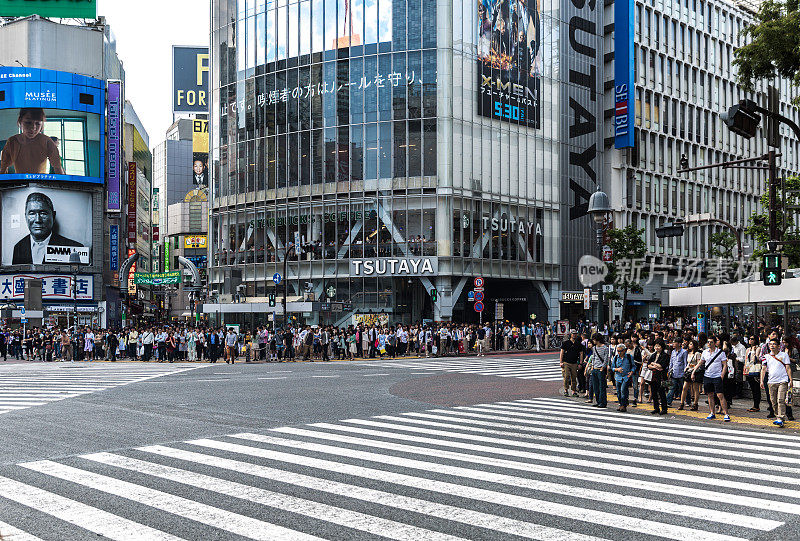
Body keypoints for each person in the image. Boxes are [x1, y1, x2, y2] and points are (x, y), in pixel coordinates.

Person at [11, 192, 84, 264]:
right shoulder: (18, 248)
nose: (37, 220)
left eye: (43, 213)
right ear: (25, 217)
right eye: (32, 213)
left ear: (53, 215)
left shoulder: (75, 249)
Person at [0, 108, 64, 175]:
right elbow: (3, 167)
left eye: (38, 123)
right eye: (28, 122)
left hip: (40, 182)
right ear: (20, 121)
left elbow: (58, 167)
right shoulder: (12, 141)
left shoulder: (47, 141)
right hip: (20, 182)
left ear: (42, 125)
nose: (33, 128)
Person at [694, 335, 730, 422]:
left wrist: (722, 375)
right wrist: (693, 371)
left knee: (720, 395)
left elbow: (725, 365)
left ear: (715, 343)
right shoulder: (705, 352)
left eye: (711, 342)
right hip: (707, 376)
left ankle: (726, 413)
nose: (709, 344)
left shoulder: (721, 353)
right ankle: (712, 412)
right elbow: (700, 363)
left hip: (717, 376)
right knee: (710, 395)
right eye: (708, 342)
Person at [761, 337, 793, 427]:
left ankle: (780, 418)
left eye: (774, 344)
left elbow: (788, 368)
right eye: (770, 344)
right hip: (771, 381)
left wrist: (791, 379)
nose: (772, 346)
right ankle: (777, 416)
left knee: (781, 400)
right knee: (773, 401)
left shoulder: (784, 355)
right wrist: (762, 381)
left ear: (779, 346)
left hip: (783, 380)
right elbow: (763, 369)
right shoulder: (766, 356)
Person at [611, 343, 635, 412]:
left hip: (626, 377)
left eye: (620, 351)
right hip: (618, 377)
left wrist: (631, 372)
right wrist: (617, 369)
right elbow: (612, 367)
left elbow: (633, 366)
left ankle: (623, 405)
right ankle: (621, 404)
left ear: (624, 350)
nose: (619, 352)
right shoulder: (616, 357)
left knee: (623, 391)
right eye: (618, 351)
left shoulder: (629, 357)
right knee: (618, 392)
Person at [588, 333, 609, 408]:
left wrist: (603, 368)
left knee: (602, 387)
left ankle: (603, 402)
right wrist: (593, 366)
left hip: (600, 369)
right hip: (595, 369)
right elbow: (593, 357)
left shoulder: (605, 348)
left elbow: (606, 359)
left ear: (597, 339)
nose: (593, 341)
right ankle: (598, 401)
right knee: (595, 387)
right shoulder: (594, 348)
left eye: (594, 339)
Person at [648, 340, 669, 415]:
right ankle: (656, 408)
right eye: (656, 346)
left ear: (662, 347)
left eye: (658, 346)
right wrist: (655, 365)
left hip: (661, 376)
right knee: (653, 392)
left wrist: (653, 364)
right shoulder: (653, 355)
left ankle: (664, 408)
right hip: (653, 376)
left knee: (662, 392)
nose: (657, 347)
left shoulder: (665, 355)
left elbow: (662, 366)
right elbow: (648, 365)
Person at [559, 331, 583, 397]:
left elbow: (581, 353)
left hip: (574, 363)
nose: (574, 335)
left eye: (575, 334)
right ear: (570, 335)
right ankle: (566, 390)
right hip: (566, 362)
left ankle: (573, 391)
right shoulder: (565, 343)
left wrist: (580, 363)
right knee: (566, 376)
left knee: (574, 377)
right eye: (573, 334)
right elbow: (562, 352)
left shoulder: (578, 344)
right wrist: (561, 362)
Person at [666, 337, 687, 406]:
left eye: (675, 342)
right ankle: (668, 402)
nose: (673, 344)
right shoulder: (673, 352)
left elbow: (685, 363)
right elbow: (671, 362)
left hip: (681, 373)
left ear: (679, 344)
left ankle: (688, 401)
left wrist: (685, 371)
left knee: (684, 388)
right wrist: (669, 370)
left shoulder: (684, 352)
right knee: (671, 387)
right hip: (674, 372)